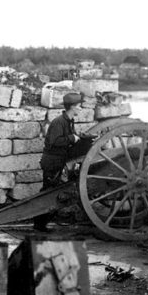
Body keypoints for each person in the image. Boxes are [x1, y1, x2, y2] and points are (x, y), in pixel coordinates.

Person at [33, 92, 94, 231]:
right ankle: (39, 224)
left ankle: (41, 224)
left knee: (51, 191)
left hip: (58, 160)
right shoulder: (58, 122)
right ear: (73, 107)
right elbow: (55, 142)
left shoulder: (68, 120)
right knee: (47, 192)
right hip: (52, 161)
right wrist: (72, 138)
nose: (80, 109)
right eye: (79, 106)